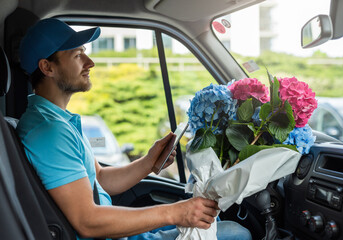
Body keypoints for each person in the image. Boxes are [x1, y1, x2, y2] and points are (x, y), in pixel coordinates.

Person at [16, 18, 252, 240]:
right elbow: (87, 221)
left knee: (215, 220)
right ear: (47, 67)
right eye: (78, 55)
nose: (90, 63)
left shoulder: (58, 121)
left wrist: (148, 161)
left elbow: (99, 179)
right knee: (236, 233)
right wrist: (176, 213)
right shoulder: (48, 131)